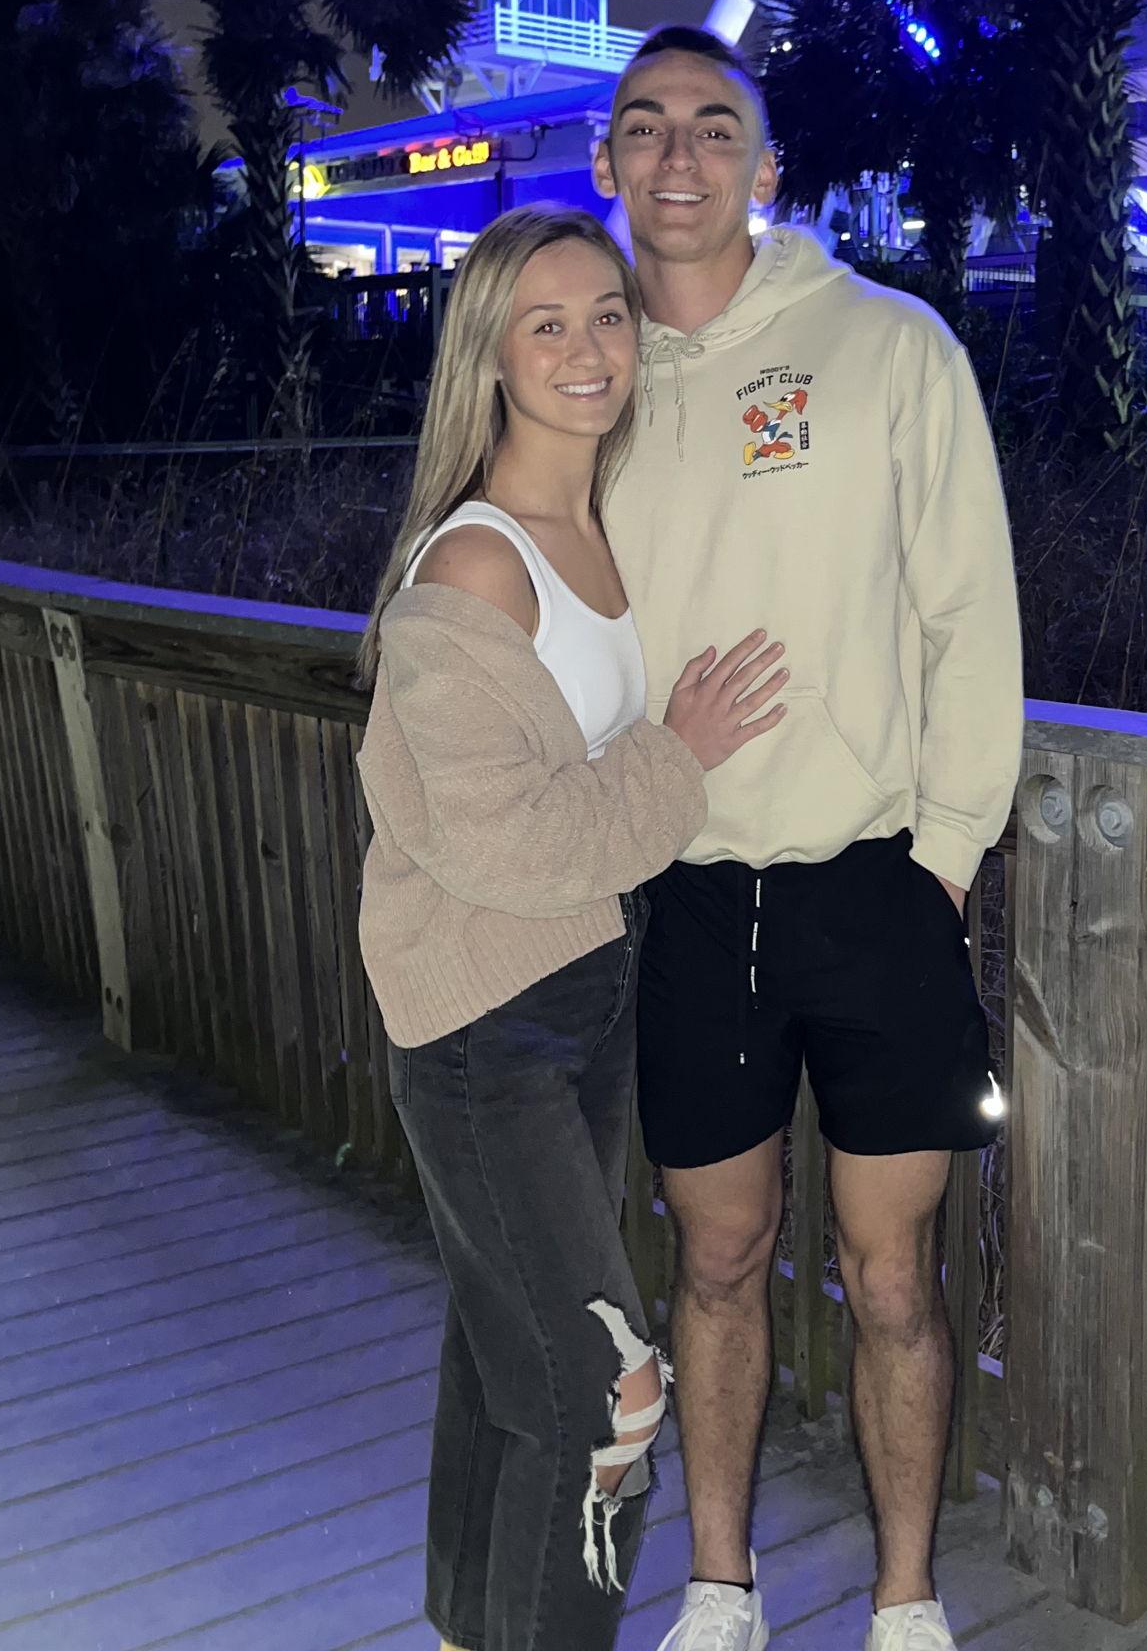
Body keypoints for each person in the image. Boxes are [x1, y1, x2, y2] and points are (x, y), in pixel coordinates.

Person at [596, 27, 1024, 1651]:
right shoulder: (584, 375)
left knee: (892, 1272)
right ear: (610, 163)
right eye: (647, 128)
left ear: (767, 166)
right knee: (715, 1261)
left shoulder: (888, 346)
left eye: (716, 128)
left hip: (876, 887)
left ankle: (907, 1602)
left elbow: (968, 612)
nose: (681, 157)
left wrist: (946, 858)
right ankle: (721, 1589)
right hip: (690, 896)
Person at [354, 203, 788, 1651]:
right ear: (489, 355)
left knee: (511, 1363)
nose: (590, 348)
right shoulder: (475, 569)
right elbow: (506, 842)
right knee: (611, 1399)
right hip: (486, 1030)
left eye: (609, 314)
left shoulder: (608, 528)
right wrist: (678, 758)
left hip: (588, 1001)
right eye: (546, 324)